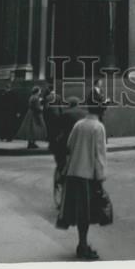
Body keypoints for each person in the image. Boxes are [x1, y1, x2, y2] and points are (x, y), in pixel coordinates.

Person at [56, 100, 108, 260]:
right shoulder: (98, 127)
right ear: (101, 110)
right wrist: (100, 176)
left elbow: (70, 145)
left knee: (79, 212)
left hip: (73, 173)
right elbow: (99, 154)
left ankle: (82, 243)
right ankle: (83, 247)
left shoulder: (79, 124)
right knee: (86, 213)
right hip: (87, 175)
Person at [16, 85, 48, 149]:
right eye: (39, 91)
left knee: (30, 129)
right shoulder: (36, 98)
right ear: (37, 91)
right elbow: (37, 108)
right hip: (35, 115)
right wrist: (42, 107)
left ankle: (31, 143)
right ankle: (32, 143)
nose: (40, 92)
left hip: (30, 113)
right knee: (34, 129)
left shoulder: (31, 97)